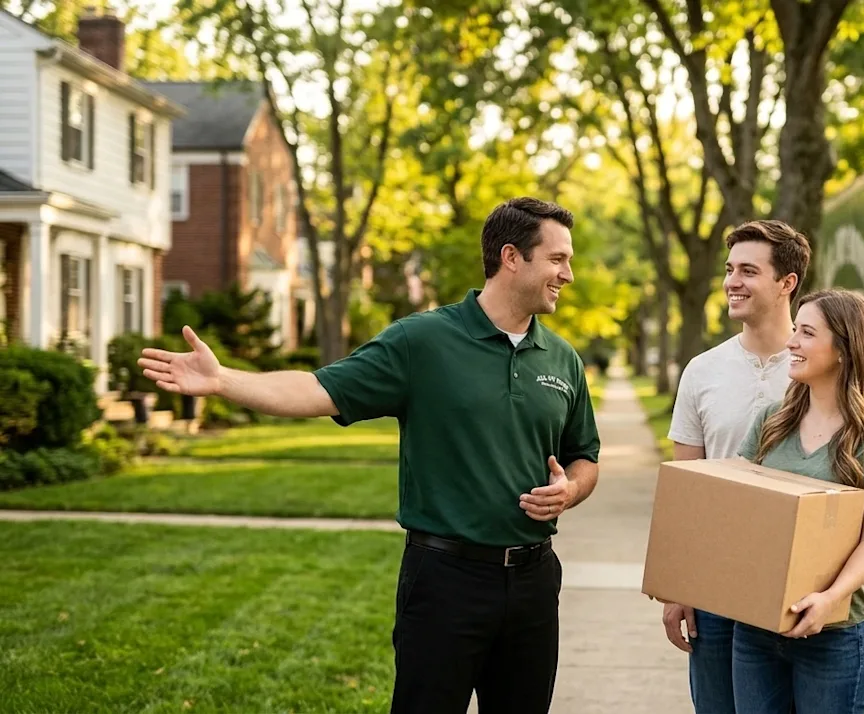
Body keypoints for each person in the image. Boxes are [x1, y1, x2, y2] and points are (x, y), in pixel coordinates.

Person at [136, 197, 602, 714]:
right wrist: (223, 380)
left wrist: (571, 489)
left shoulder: (562, 358)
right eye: (558, 259)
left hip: (535, 582)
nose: (568, 274)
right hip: (446, 581)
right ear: (512, 257)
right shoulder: (421, 341)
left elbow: (584, 455)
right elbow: (318, 390)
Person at [731, 287, 864, 714]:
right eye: (795, 330)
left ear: (845, 349)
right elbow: (735, 507)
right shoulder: (771, 421)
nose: (791, 342)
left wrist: (829, 599)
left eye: (806, 333)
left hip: (835, 633)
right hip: (756, 628)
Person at [662, 220, 812, 713]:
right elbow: (687, 489)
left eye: (749, 270)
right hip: (716, 583)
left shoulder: (819, 366)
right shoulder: (702, 371)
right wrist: (676, 586)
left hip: (801, 582)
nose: (732, 282)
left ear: (786, 283)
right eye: (729, 270)